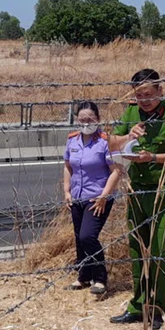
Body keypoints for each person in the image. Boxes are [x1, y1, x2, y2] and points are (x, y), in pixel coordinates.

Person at [107, 69, 165, 330]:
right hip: (137, 191)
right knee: (137, 248)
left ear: (160, 91)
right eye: (139, 96)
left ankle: (159, 307)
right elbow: (111, 144)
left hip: (164, 191)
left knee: (161, 250)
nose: (144, 101)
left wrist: (153, 158)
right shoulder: (130, 113)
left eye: (148, 95)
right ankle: (138, 306)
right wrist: (129, 136)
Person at [62, 101, 122, 296]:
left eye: (90, 119)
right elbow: (68, 166)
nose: (86, 123)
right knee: (79, 238)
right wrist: (67, 191)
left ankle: (100, 278)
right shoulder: (72, 140)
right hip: (77, 197)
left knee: (88, 236)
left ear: (98, 119)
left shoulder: (105, 141)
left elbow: (116, 171)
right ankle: (83, 276)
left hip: (97, 198)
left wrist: (104, 196)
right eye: (82, 120)